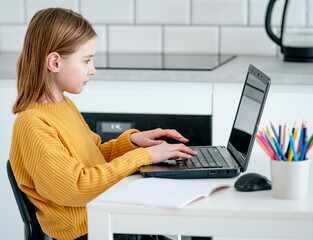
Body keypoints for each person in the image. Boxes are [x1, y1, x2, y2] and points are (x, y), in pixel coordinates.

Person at [9, 7, 197, 240]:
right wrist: (144, 157)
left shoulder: (64, 106)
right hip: (88, 232)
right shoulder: (33, 124)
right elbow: (77, 187)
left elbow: (93, 156)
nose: (93, 69)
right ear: (55, 62)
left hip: (102, 219)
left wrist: (133, 143)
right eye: (86, 60)